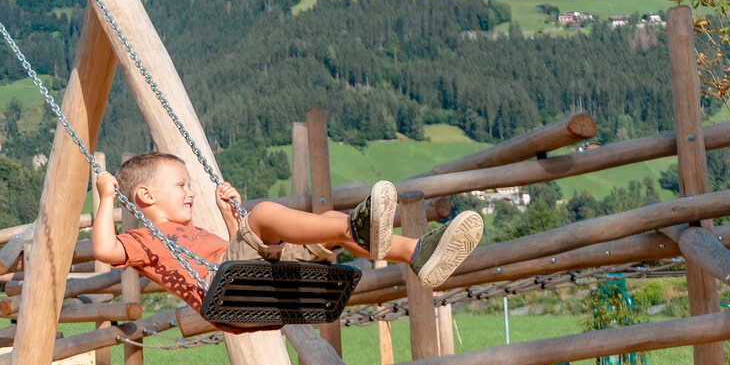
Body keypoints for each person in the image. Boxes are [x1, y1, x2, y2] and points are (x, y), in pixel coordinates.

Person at [88, 153, 483, 323]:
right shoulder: (143, 238)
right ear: (146, 196)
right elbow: (105, 250)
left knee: (324, 222)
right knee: (262, 215)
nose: (190, 192)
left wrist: (230, 217)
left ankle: (416, 253)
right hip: (224, 296)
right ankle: (353, 227)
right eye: (181, 185)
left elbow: (235, 255)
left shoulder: (190, 232)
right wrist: (106, 199)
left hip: (246, 281)